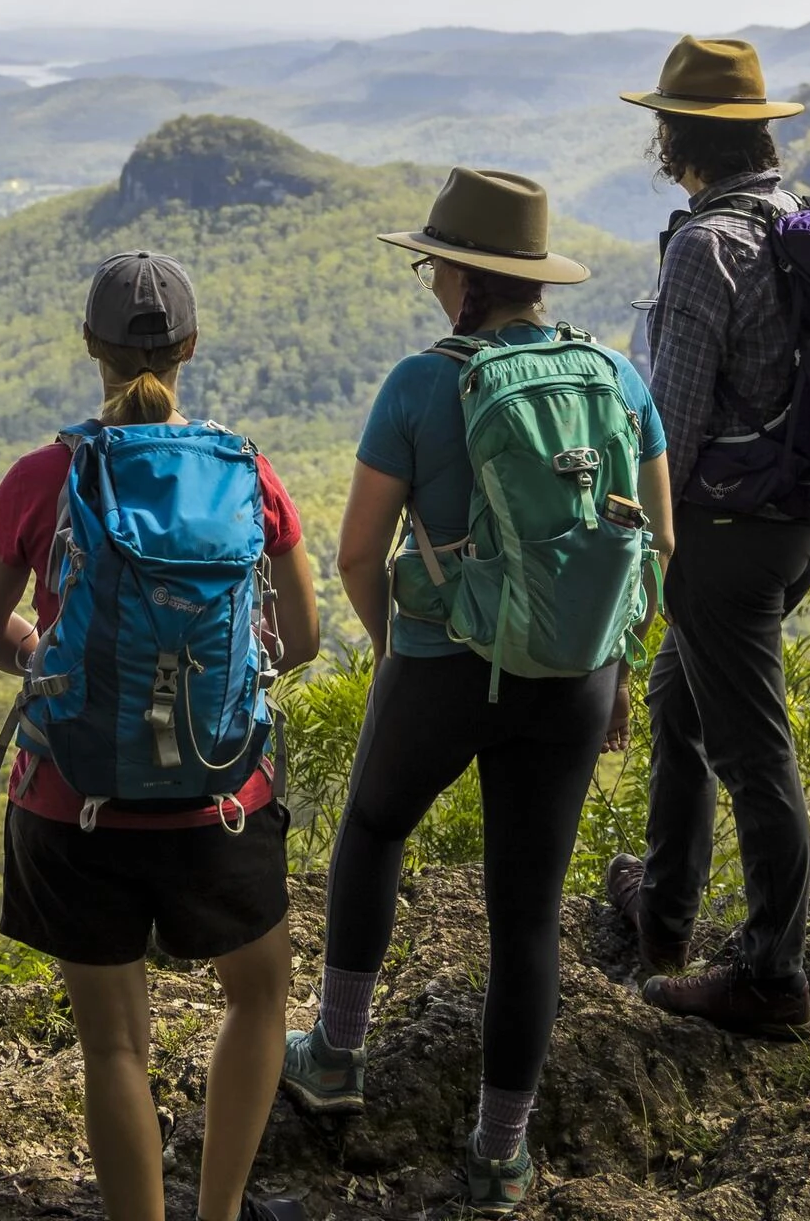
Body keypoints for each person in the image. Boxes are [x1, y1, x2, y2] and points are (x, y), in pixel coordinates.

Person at [280, 169, 672, 1215]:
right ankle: (501, 1152)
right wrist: (616, 665)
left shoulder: (420, 383)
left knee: (370, 828)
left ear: (469, 276)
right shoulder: (617, 381)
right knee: (527, 914)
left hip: (445, 659)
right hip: (575, 673)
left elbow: (360, 551)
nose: (429, 274)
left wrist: (398, 646)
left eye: (435, 259)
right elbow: (656, 545)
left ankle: (335, 1055)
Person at [0, 251, 318, 1221]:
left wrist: (47, 644)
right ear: (191, 347)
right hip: (221, 799)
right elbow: (308, 634)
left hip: (76, 800)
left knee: (115, 1044)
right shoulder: (248, 470)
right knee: (258, 995)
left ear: (92, 347)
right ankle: (222, 1208)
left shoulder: (44, 475)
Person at [603, 36, 810, 1038]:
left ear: (676, 136)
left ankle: (771, 973)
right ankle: (663, 907)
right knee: (678, 703)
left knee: (751, 749)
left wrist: (630, 541)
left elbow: (672, 427)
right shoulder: (797, 219)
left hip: (728, 538)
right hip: (798, 520)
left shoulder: (707, 244)